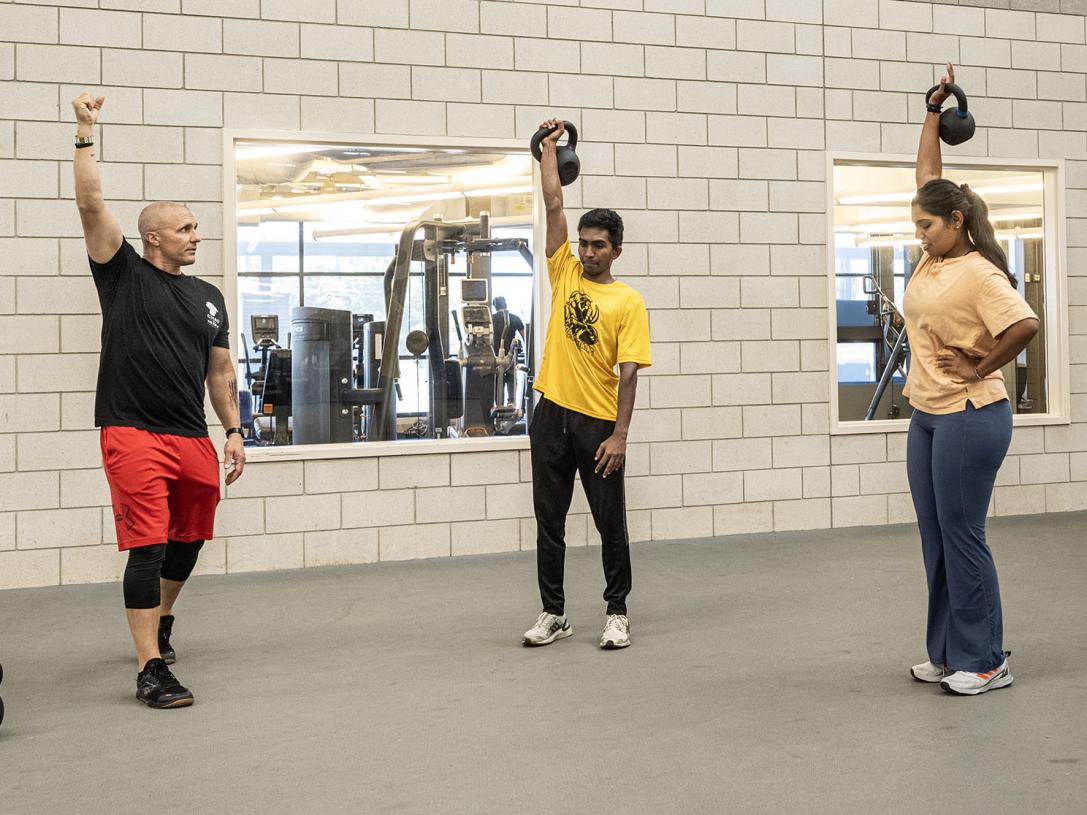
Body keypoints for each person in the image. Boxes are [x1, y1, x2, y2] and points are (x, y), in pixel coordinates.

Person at [72, 92, 246, 708]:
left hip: (191, 434)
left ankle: (163, 619)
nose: (197, 236)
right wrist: (85, 132)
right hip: (131, 430)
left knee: (189, 536)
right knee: (146, 544)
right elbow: (91, 203)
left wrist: (233, 429)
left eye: (196, 227)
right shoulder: (122, 273)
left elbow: (219, 372)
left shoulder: (208, 297)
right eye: (186, 228)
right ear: (153, 237)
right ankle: (150, 668)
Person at [905, 65, 1039, 695]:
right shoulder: (934, 257)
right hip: (928, 415)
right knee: (935, 538)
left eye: (927, 226)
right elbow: (927, 177)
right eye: (917, 225)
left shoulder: (981, 272)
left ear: (956, 222)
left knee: (962, 537)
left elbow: (1025, 324)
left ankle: (985, 659)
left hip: (971, 414)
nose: (919, 234)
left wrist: (980, 366)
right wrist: (933, 112)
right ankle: (946, 652)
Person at [522, 119, 651, 650]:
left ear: (616, 250)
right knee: (548, 521)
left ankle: (617, 611)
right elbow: (553, 204)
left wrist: (619, 435)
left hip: (597, 424)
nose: (588, 252)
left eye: (598, 245)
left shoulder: (628, 302)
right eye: (584, 243)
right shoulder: (565, 273)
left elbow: (628, 375)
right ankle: (554, 613)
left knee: (609, 524)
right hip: (551, 413)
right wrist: (548, 150)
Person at [491, 296, 525, 406]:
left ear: (495, 306)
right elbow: (525, 337)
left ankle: (499, 404)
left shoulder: (491, 319)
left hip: (496, 355)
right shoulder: (514, 318)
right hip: (511, 354)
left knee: (497, 379)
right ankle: (511, 402)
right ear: (505, 304)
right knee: (511, 377)